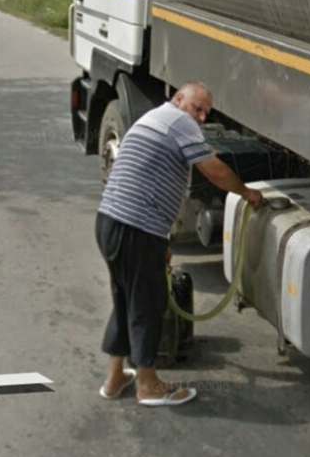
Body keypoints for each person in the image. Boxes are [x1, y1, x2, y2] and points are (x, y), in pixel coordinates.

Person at [95, 81, 265, 407]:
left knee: (126, 299)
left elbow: (152, 182)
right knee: (149, 301)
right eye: (197, 108)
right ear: (178, 98)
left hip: (110, 222)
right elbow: (212, 170)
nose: (200, 118)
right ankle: (147, 384)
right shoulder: (178, 120)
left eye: (205, 113)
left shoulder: (155, 118)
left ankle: (115, 377)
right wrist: (246, 193)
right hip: (135, 228)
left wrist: (163, 241)